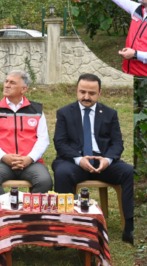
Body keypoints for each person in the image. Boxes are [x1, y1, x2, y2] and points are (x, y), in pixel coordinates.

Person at [52, 73, 134, 244]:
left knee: (129, 172)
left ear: (100, 92)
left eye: (92, 93)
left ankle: (130, 228)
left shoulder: (110, 113)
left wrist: (108, 159)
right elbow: (60, 143)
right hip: (74, 162)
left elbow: (117, 143)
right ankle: (66, 229)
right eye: (82, 92)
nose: (86, 97)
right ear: (77, 90)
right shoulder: (64, 113)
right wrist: (78, 158)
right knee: (62, 173)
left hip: (102, 162)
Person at [0, 70, 52, 203]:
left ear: (23, 89)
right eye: (6, 81)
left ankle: (28, 212)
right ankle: (6, 210)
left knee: (44, 181)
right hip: (2, 162)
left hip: (30, 162)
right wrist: (4, 157)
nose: (7, 85)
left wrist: (30, 158)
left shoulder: (36, 109)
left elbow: (43, 139)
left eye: (12, 83)